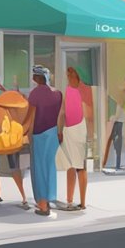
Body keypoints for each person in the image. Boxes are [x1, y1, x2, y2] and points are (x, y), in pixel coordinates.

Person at [27, 66, 63, 217]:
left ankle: (42, 205)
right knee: (50, 166)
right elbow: (61, 115)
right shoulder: (58, 94)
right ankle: (49, 199)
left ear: (37, 78)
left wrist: (26, 132)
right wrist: (60, 132)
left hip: (39, 134)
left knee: (39, 168)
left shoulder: (35, 93)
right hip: (53, 133)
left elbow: (31, 116)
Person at [60, 68, 93, 211]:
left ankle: (83, 201)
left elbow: (90, 114)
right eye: (68, 75)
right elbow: (63, 110)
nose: (69, 77)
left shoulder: (84, 90)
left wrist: (91, 136)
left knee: (80, 166)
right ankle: (69, 200)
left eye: (71, 75)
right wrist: (60, 129)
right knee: (70, 165)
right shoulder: (68, 89)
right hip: (68, 129)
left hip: (79, 129)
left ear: (77, 75)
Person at [102, 76, 125, 171]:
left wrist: (112, 118)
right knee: (116, 143)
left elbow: (117, 115)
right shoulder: (124, 97)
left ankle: (115, 164)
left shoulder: (122, 100)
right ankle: (115, 163)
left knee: (116, 143)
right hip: (119, 122)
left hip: (119, 123)